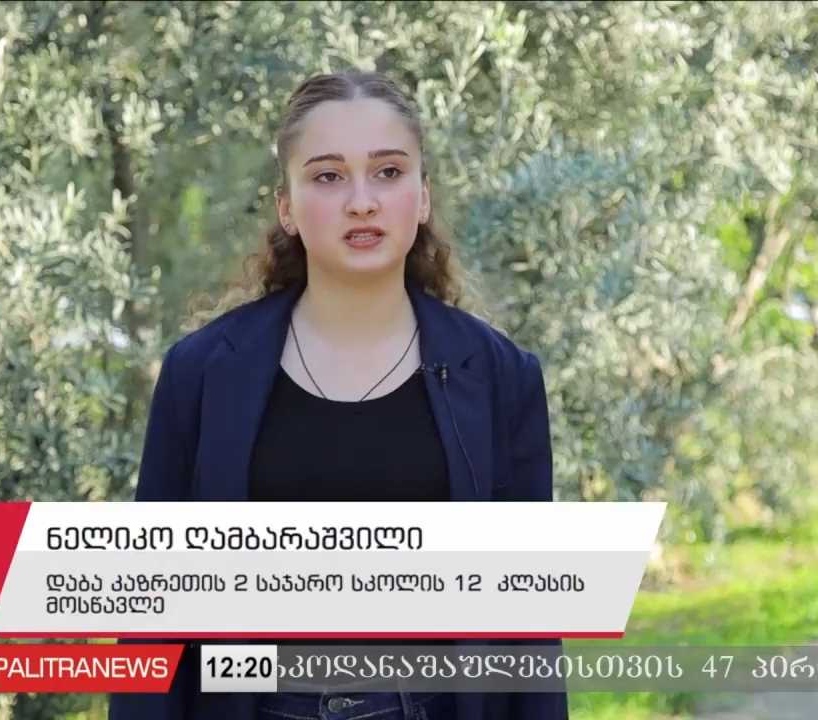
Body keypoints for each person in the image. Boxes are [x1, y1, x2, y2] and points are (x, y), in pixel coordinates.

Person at [108, 70, 568, 720]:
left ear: (423, 197)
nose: (362, 201)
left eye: (388, 172)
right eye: (328, 176)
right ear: (287, 208)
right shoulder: (202, 375)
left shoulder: (501, 377)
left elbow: (529, 624)